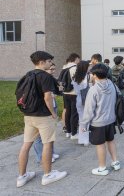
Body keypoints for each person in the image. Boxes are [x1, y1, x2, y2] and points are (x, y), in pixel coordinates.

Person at [16, 51, 67, 187]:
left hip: (29, 115)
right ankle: (47, 175)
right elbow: (47, 97)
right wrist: (53, 113)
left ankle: (21, 177)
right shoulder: (45, 76)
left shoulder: (28, 75)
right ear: (42, 62)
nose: (51, 64)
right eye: (49, 61)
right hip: (43, 116)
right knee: (47, 144)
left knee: (26, 145)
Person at [80, 63, 120, 176]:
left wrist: (83, 124)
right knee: (111, 140)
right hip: (111, 120)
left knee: (100, 144)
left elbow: (88, 110)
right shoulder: (112, 84)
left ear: (95, 75)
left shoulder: (93, 89)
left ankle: (102, 168)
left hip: (98, 123)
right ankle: (115, 162)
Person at [32, 63, 60, 164]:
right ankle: (41, 157)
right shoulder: (40, 79)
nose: (53, 71)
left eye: (54, 69)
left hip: (52, 106)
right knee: (39, 136)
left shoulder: (50, 79)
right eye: (51, 69)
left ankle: (51, 153)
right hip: (43, 111)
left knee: (51, 133)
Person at [72, 60, 92, 146]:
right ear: (85, 68)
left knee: (81, 120)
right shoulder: (88, 77)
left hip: (78, 100)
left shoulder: (74, 77)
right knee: (87, 120)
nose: (90, 68)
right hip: (86, 100)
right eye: (88, 66)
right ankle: (86, 139)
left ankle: (82, 139)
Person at [62, 53, 80, 139]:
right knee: (74, 113)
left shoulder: (64, 67)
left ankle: (68, 132)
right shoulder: (74, 68)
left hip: (65, 93)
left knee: (67, 112)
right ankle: (74, 133)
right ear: (76, 59)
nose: (79, 61)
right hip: (73, 93)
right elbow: (76, 80)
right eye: (78, 59)